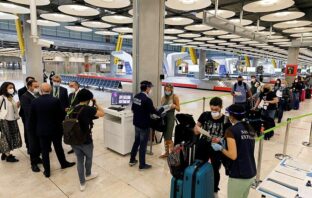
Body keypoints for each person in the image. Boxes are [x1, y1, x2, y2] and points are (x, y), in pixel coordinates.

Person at [29, 83, 75, 178]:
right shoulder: (55, 100)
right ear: (50, 90)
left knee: (44, 151)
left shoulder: (34, 101)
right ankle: (63, 163)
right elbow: (61, 115)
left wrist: (32, 130)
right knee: (58, 147)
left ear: (41, 91)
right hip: (55, 129)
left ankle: (47, 171)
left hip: (42, 130)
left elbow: (32, 118)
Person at [211, 104, 256, 198]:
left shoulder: (231, 130)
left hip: (239, 175)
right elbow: (244, 146)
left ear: (232, 116)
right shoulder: (250, 128)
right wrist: (224, 141)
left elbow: (233, 155)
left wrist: (221, 148)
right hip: (251, 171)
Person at [194, 97, 231, 196]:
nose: (214, 111)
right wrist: (197, 130)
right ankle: (199, 185)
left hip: (216, 148)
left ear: (221, 107)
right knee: (199, 165)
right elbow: (196, 127)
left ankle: (214, 190)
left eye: (216, 110)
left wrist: (220, 139)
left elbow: (228, 137)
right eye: (212, 109)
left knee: (215, 170)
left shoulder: (226, 120)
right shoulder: (205, 115)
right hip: (203, 145)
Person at [69, 89, 105, 191]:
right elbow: (102, 113)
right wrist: (96, 103)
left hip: (74, 140)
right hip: (86, 140)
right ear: (88, 99)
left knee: (79, 161)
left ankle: (82, 183)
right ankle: (88, 174)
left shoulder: (72, 108)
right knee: (88, 158)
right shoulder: (88, 109)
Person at [129, 81, 159, 170]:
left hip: (136, 124)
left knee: (136, 142)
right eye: (150, 88)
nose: (151, 90)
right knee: (143, 145)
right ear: (147, 88)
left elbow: (133, 109)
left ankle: (132, 160)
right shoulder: (147, 100)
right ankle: (142, 165)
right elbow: (154, 112)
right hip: (144, 126)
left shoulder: (136, 96)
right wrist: (161, 111)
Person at [20, 80, 42, 172]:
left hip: (40, 124)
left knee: (39, 143)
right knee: (33, 144)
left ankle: (37, 158)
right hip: (32, 124)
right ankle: (33, 163)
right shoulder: (25, 96)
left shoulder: (38, 95)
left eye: (38, 86)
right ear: (29, 86)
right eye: (35, 86)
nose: (37, 88)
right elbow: (28, 111)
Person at [0, 82, 22, 162]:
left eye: (12, 87)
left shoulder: (10, 97)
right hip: (4, 120)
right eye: (10, 87)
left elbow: (12, 107)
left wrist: (17, 105)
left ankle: (5, 152)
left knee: (12, 136)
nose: (12, 89)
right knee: (6, 137)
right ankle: (8, 155)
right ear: (5, 88)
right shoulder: (1, 97)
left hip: (12, 119)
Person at [159, 83, 180, 158]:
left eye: (169, 90)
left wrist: (174, 106)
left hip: (170, 118)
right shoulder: (163, 98)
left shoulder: (174, 97)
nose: (167, 91)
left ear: (171, 90)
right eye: (166, 90)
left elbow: (179, 109)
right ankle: (167, 152)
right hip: (164, 119)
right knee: (165, 136)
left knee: (169, 137)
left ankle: (173, 153)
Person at [18, 76, 35, 153]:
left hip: (34, 115)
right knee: (27, 130)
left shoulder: (36, 92)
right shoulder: (22, 91)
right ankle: (29, 146)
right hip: (25, 114)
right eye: (30, 81)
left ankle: (35, 147)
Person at [67, 81, 81, 154]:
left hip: (79, 116)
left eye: (72, 86)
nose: (70, 87)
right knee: (72, 132)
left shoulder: (82, 94)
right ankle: (74, 147)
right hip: (71, 116)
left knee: (79, 132)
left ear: (77, 85)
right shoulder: (70, 95)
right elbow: (70, 104)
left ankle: (80, 147)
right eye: (69, 86)